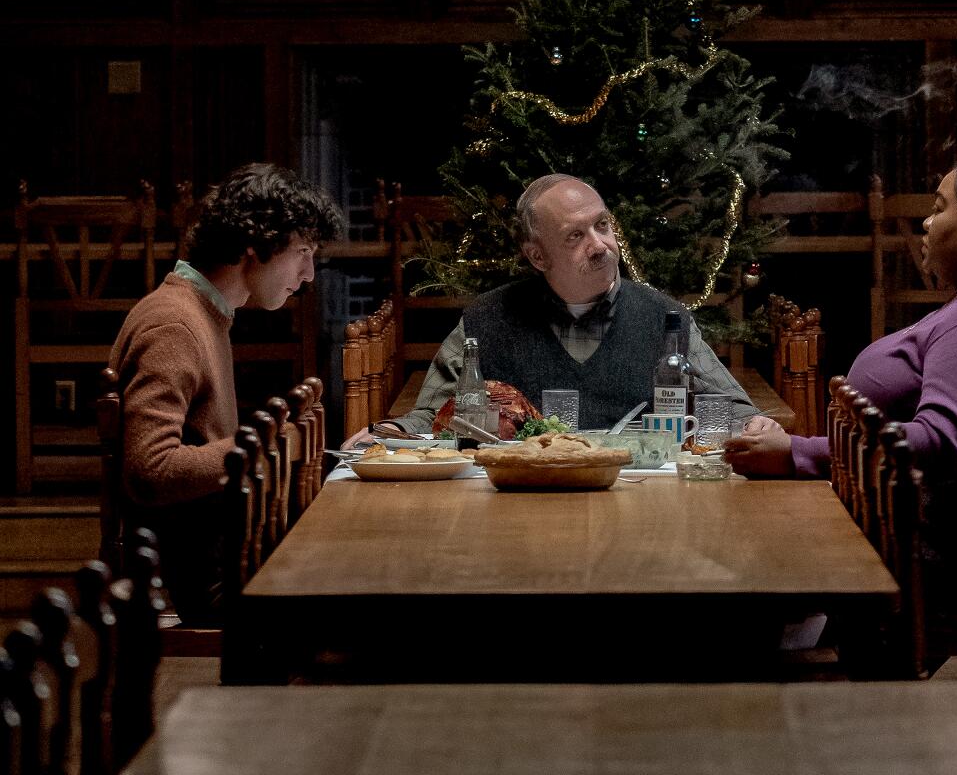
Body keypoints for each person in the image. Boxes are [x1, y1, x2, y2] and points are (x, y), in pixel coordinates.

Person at [725, 142, 957, 648]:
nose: (926, 223)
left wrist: (797, 453)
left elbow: (936, 445)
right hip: (900, 538)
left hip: (938, 566)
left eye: (940, 208)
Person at [109, 162, 344, 626]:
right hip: (206, 584)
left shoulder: (203, 313)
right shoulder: (174, 324)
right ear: (255, 246)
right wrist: (264, 445)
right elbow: (148, 470)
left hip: (227, 557)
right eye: (302, 251)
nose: (310, 273)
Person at [388, 173, 758, 433]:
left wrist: (756, 426)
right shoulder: (487, 319)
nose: (599, 245)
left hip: (640, 507)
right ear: (537, 256)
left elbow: (734, 409)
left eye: (602, 225)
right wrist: (390, 431)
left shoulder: (666, 318)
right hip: (521, 509)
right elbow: (432, 416)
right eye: (575, 236)